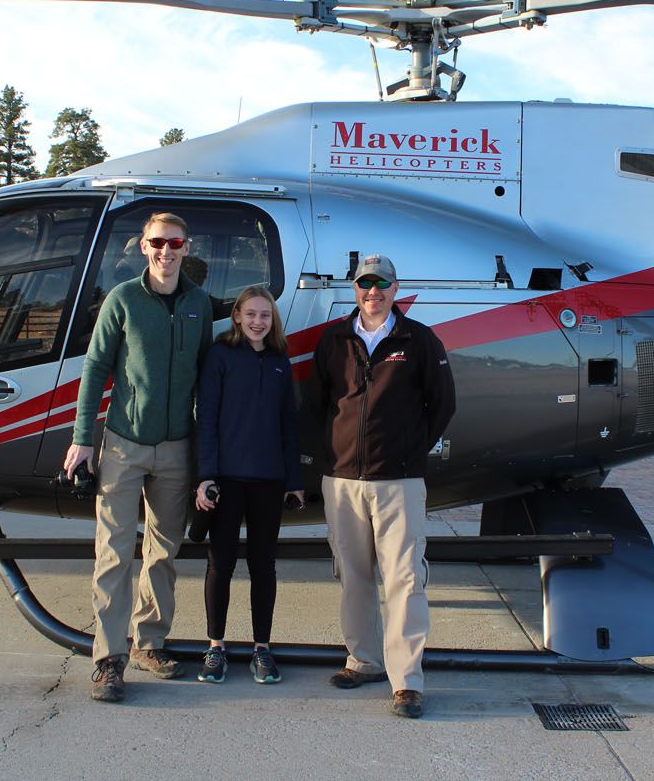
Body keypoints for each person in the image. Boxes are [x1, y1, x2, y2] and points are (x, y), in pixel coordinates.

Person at [64, 212, 213, 703]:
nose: (166, 251)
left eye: (174, 243)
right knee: (113, 551)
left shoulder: (198, 304)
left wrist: (207, 454)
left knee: (163, 552)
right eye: (157, 243)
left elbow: (207, 380)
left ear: (186, 248)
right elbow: (95, 368)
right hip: (124, 445)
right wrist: (83, 438)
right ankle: (109, 659)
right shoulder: (123, 299)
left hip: (176, 449)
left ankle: (149, 642)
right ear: (144, 247)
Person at [305, 253, 456, 719]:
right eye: (365, 284)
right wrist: (331, 457)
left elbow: (443, 404)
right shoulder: (333, 339)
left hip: (400, 482)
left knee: (405, 579)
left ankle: (406, 680)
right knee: (353, 576)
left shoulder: (419, 340)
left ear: (396, 289)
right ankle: (364, 661)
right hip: (343, 481)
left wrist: (409, 451)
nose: (374, 292)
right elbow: (317, 405)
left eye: (382, 285)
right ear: (355, 288)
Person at [192, 286, 305, 685]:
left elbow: (289, 425)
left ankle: (262, 649)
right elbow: (206, 419)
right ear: (237, 316)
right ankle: (215, 647)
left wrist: (294, 480)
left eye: (266, 316)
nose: (259, 321)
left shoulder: (279, 361)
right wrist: (206, 477)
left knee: (263, 566)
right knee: (220, 563)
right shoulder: (221, 356)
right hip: (226, 480)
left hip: (269, 480)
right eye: (251, 314)